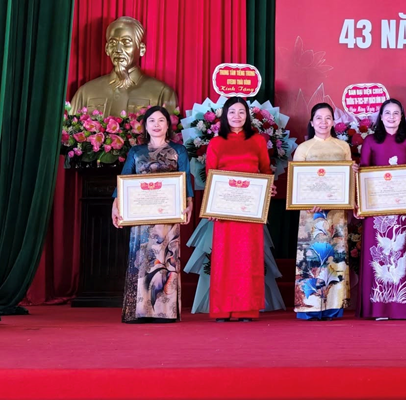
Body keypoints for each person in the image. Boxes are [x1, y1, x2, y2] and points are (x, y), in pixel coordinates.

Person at [111, 106, 193, 323]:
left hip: (169, 216)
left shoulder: (179, 150)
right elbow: (124, 180)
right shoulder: (136, 152)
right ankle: (140, 310)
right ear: (145, 126)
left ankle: (165, 312)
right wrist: (116, 205)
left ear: (168, 125)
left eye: (161, 120)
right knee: (142, 259)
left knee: (167, 258)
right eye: (152, 121)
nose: (156, 125)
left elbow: (186, 179)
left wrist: (189, 204)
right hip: (141, 216)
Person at [205, 96, 278, 322]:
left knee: (248, 258)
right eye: (232, 112)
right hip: (225, 212)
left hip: (250, 211)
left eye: (241, 112)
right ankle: (222, 309)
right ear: (224, 116)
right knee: (224, 259)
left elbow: (265, 171)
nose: (237, 116)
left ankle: (247, 309)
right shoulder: (216, 143)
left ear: (247, 116)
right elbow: (210, 176)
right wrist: (211, 205)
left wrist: (269, 187)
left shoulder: (257, 141)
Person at [291, 103, 358, 321]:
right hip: (311, 213)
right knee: (312, 258)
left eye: (328, 118)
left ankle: (333, 306)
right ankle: (310, 306)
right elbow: (298, 182)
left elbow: (348, 181)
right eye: (319, 118)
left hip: (336, 213)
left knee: (334, 256)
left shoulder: (342, 147)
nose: (323, 122)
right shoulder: (304, 148)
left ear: (333, 122)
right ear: (312, 122)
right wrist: (309, 202)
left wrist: (353, 173)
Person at [358, 99, 406, 320]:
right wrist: (360, 203)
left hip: (402, 210)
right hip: (376, 209)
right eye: (387, 113)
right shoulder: (370, 142)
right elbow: (363, 172)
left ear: (401, 117)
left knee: (401, 253)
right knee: (379, 255)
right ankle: (378, 307)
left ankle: (401, 306)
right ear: (381, 117)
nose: (392, 117)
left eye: (396, 113)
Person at [70, 16, 178, 116]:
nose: (118, 50)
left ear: (141, 49)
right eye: (113, 43)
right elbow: (69, 128)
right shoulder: (85, 92)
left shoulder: (161, 93)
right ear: (107, 49)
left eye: (126, 42)